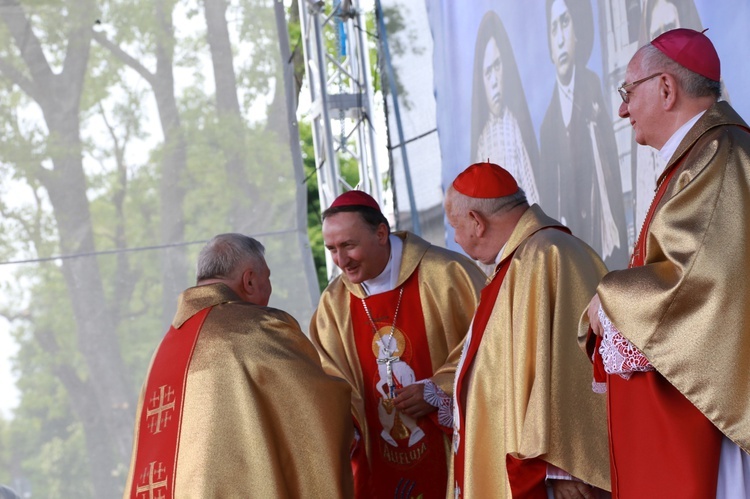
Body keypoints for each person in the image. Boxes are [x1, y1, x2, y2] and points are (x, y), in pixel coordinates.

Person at [583, 28, 750, 497]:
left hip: (710, 416)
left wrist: (611, 297)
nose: (621, 109)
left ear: (666, 88)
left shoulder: (720, 153)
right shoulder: (699, 156)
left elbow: (696, 280)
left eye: (627, 92)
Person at [123, 233, 353, 498]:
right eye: (268, 277)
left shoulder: (163, 352)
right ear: (250, 280)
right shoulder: (257, 329)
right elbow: (318, 405)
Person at [445, 162, 610, 499]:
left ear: (477, 221)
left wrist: (563, 465)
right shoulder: (519, 259)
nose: (456, 239)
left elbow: (573, 361)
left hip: (551, 473)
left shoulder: (548, 253)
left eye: (455, 227)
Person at [310, 190, 486, 498]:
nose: (341, 261)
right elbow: (330, 380)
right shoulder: (333, 304)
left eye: (349, 245)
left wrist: (437, 390)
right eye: (332, 249)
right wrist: (342, 422)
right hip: (379, 458)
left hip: (453, 450)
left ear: (380, 233)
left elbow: (491, 347)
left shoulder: (447, 275)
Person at [539, 0, 629, 269]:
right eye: (553, 28)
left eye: (565, 23)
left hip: (609, 248)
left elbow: (611, 179)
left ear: (577, 33)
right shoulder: (547, 127)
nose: (559, 37)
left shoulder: (593, 90)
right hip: (575, 257)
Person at [470, 10, 540, 205]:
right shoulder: (482, 143)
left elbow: (533, 195)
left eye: (497, 66)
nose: (494, 81)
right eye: (487, 72)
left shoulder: (517, 126)